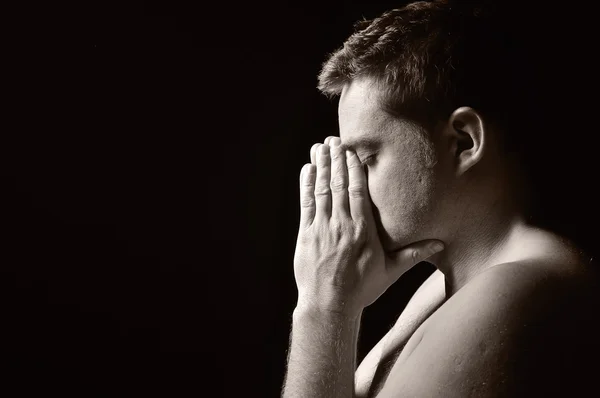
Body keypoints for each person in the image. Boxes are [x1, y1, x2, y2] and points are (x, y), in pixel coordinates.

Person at [282, 1, 599, 397]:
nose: (348, 185)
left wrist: (323, 307)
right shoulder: (448, 285)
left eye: (365, 159)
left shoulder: (515, 291)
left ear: (463, 142)